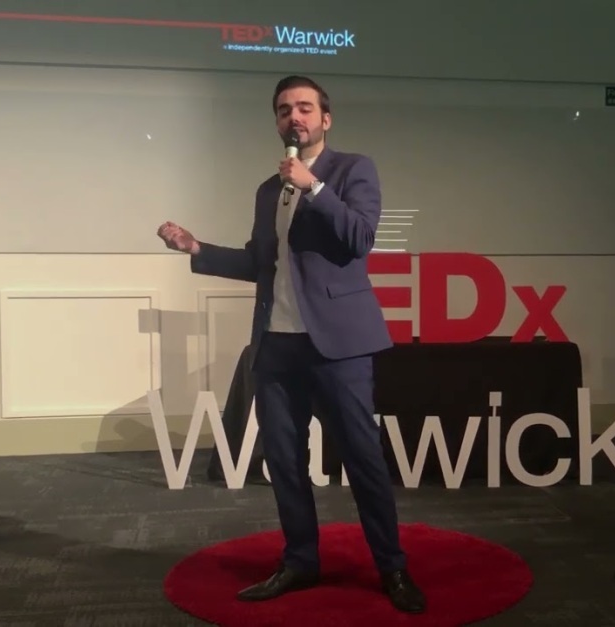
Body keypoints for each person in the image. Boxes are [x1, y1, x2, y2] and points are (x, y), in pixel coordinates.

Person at [156, 75, 425, 614]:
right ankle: (300, 560)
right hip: (276, 345)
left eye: (304, 107)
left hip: (339, 345)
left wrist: (314, 188)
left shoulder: (353, 170)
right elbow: (262, 263)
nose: (293, 117)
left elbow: (361, 238)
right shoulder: (268, 190)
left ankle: (392, 567)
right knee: (283, 460)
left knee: (362, 458)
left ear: (325, 118)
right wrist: (196, 248)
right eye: (284, 110)